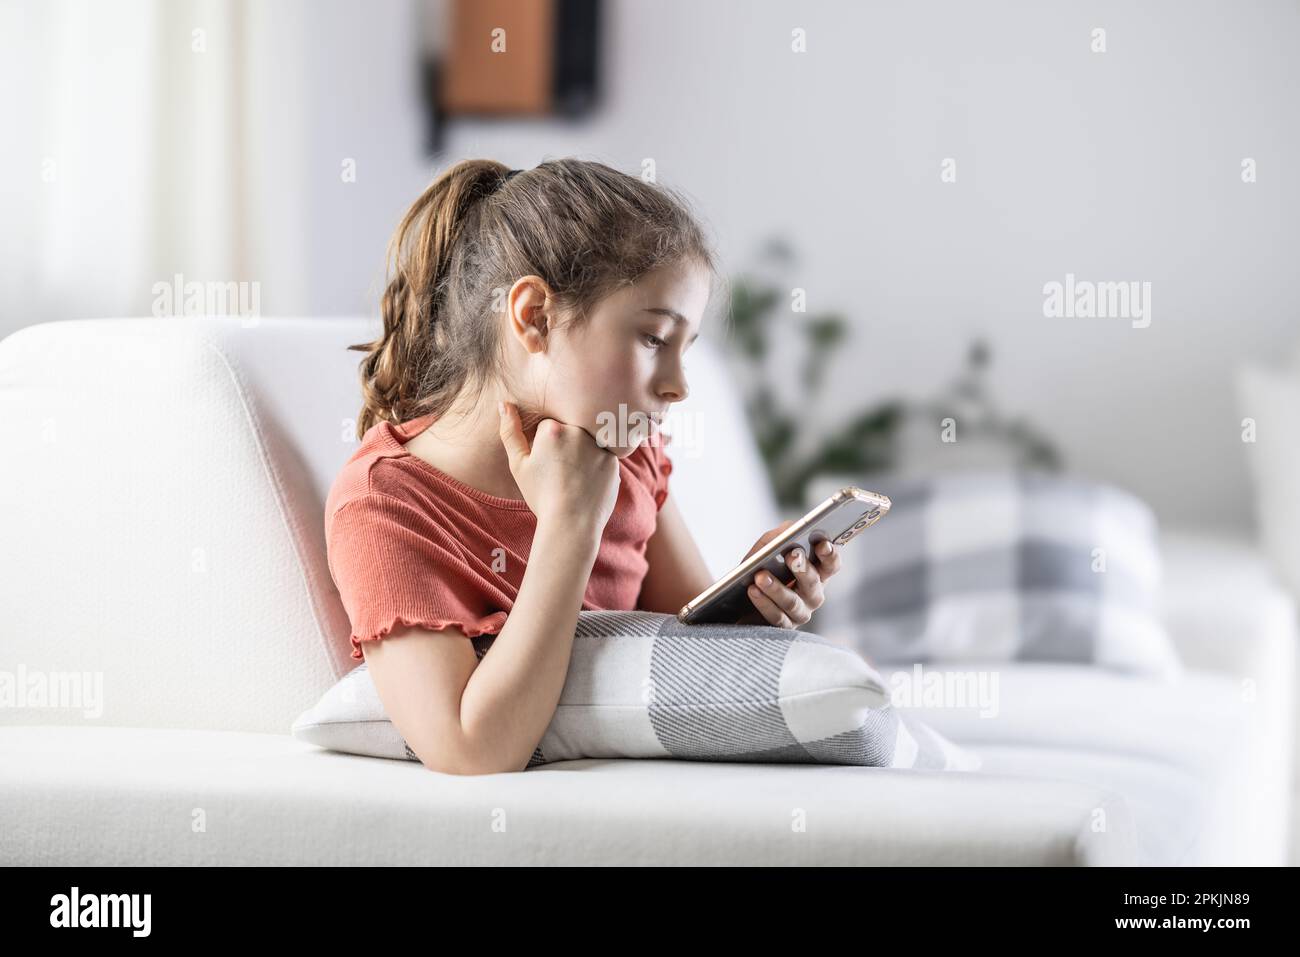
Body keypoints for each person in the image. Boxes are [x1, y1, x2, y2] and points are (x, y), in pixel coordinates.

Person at [325, 158, 843, 774]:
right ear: (534, 317)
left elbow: (681, 641)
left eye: (685, 350)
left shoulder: (628, 456)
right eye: (654, 339)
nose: (679, 387)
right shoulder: (387, 505)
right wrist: (570, 526)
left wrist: (752, 609)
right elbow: (471, 749)